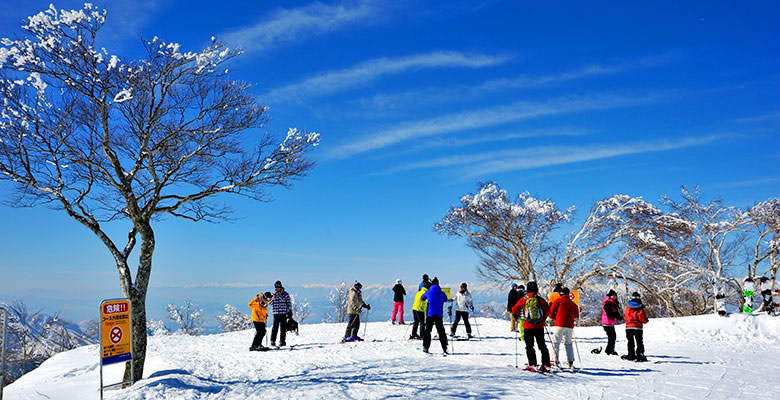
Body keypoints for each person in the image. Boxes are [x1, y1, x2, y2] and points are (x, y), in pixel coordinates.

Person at [512, 281, 551, 372]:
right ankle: (546, 364)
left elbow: (514, 309)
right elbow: (547, 310)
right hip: (539, 326)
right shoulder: (540, 300)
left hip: (528, 326)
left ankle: (532, 364)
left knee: (529, 346)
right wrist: (543, 318)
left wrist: (516, 317)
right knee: (542, 345)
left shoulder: (524, 299)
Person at [548, 287, 579, 369]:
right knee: (568, 343)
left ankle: (554, 361)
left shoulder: (558, 300)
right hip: (569, 326)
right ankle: (570, 362)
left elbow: (551, 311)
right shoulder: (572, 303)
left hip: (559, 324)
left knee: (556, 342)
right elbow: (576, 315)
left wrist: (549, 319)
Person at [420, 277, 450, 354]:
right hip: (439, 314)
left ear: (431, 284)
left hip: (430, 314)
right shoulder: (442, 293)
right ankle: (445, 348)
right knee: (441, 331)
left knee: (428, 331)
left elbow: (422, 298)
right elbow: (446, 299)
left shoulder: (428, 292)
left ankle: (425, 347)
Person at [622, 292, 649, 362]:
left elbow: (625, 315)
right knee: (639, 341)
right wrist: (646, 321)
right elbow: (642, 318)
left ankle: (631, 355)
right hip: (638, 327)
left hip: (628, 327)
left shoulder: (628, 307)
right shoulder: (640, 307)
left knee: (630, 342)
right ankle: (640, 355)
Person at [270, 280, 292, 347]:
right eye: (276, 287)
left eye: (278, 287)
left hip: (283, 313)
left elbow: (289, 304)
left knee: (283, 328)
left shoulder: (285, 294)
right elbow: (270, 303)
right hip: (276, 313)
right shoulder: (273, 294)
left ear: (281, 287)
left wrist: (290, 311)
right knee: (275, 328)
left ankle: (282, 341)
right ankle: (273, 341)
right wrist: (273, 298)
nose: (277, 288)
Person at [601, 289, 622, 355]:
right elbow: (609, 314)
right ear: (610, 296)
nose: (614, 297)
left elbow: (615, 312)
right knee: (612, 336)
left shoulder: (613, 303)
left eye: (615, 296)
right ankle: (609, 350)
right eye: (613, 296)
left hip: (609, 323)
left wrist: (619, 317)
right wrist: (616, 316)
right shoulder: (608, 303)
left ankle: (610, 350)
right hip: (607, 322)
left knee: (612, 336)